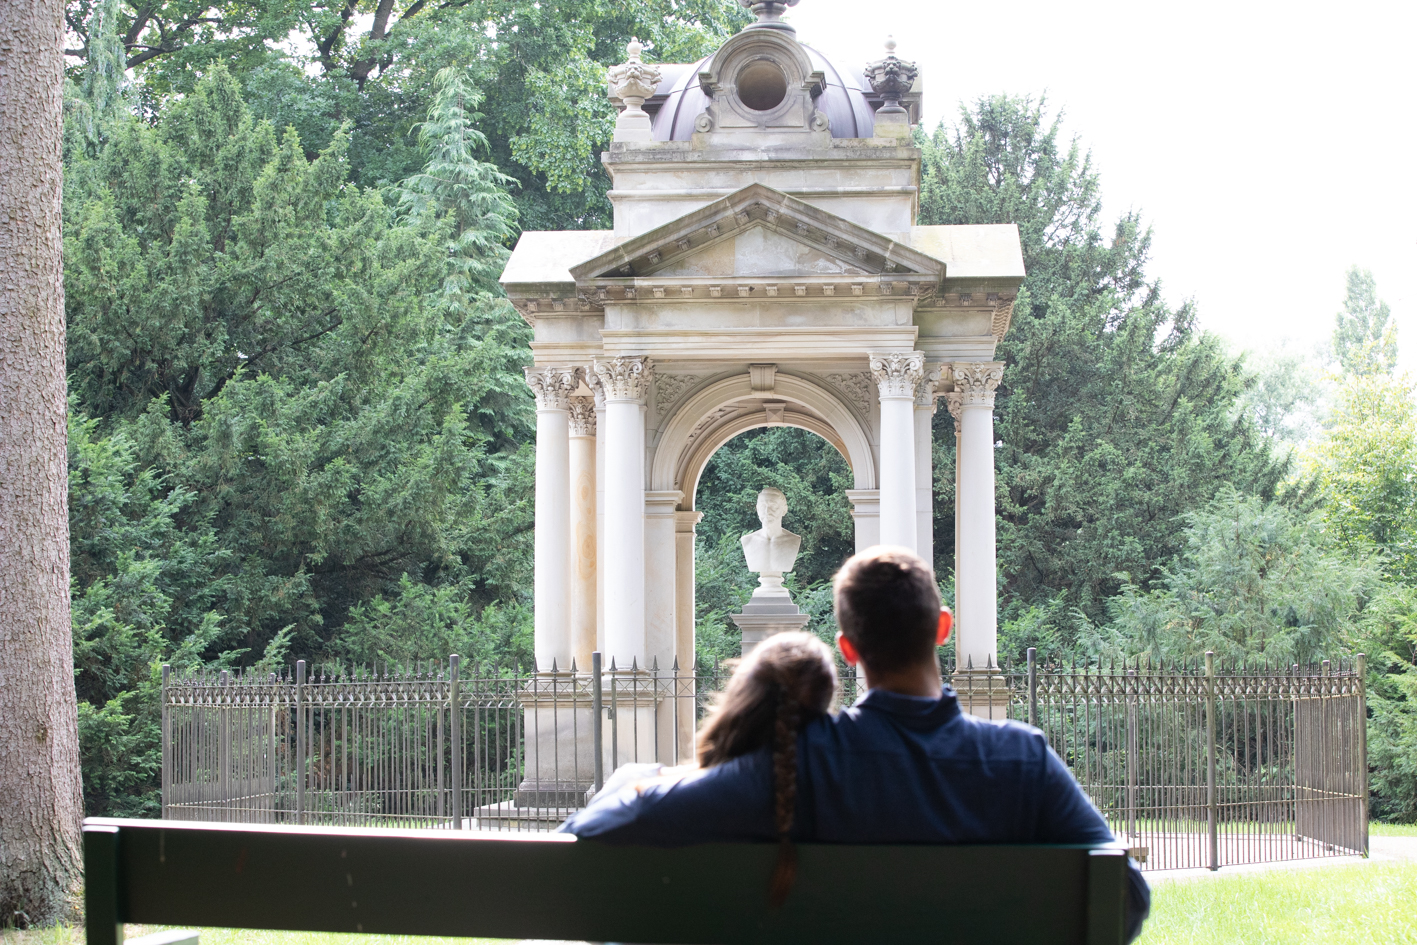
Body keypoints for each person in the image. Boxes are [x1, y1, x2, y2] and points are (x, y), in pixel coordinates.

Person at [562, 547, 1151, 942]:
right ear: (943, 629)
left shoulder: (802, 764)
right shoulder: (1022, 761)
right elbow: (1125, 899)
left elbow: (596, 831)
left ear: (848, 649)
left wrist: (638, 778)